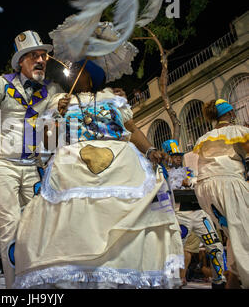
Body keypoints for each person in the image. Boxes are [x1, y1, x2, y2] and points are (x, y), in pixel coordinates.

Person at [13, 60, 184, 289]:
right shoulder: (58, 102)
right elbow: (47, 143)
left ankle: (123, 272)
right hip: (72, 164)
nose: (72, 75)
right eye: (71, 72)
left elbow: (131, 130)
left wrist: (151, 150)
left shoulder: (111, 99)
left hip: (120, 161)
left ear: (91, 77)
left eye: (79, 71)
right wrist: (53, 119)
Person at [0, 30, 64, 287]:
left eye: (43, 56)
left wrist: (63, 106)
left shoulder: (52, 90)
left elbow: (58, 110)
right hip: (1, 165)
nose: (41, 60)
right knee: (10, 225)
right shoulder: (1, 84)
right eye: (34, 56)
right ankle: (13, 288)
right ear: (21, 61)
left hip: (34, 167)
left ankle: (35, 283)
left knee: (37, 226)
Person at [193, 99, 249, 288]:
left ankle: (232, 280)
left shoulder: (205, 137)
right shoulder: (238, 131)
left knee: (236, 237)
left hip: (205, 189)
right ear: (231, 113)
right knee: (245, 238)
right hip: (228, 183)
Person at [162, 139, 227, 288]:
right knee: (176, 251)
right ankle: (173, 282)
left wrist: (191, 182)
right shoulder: (163, 174)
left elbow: (198, 182)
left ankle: (219, 280)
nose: (178, 158)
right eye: (174, 155)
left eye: (179, 155)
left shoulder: (189, 171)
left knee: (215, 246)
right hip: (180, 215)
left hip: (199, 213)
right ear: (167, 156)